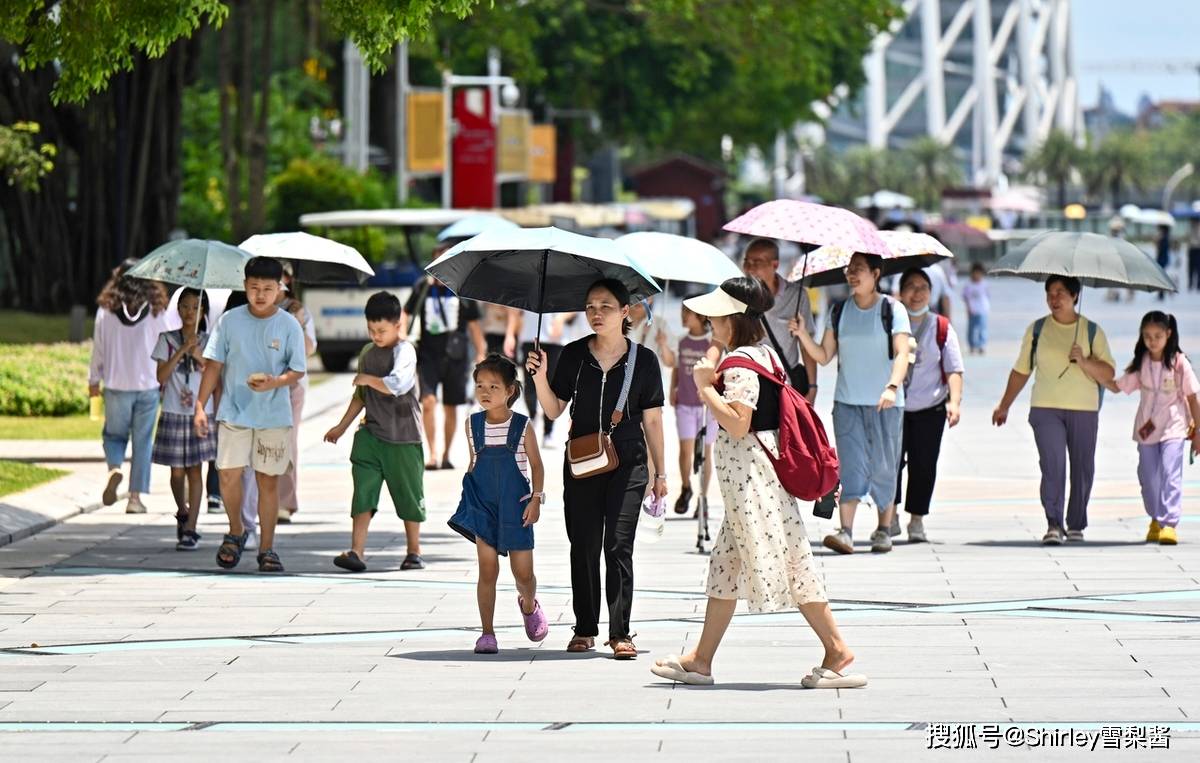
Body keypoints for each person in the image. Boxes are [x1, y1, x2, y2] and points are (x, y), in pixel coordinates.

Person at [649, 278, 864, 689]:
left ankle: (837, 648)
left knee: (791, 559)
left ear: (732, 317)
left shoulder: (742, 363)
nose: (709, 321)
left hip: (754, 482)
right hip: (748, 483)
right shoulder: (764, 353)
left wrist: (702, 388)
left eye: (715, 316)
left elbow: (737, 421)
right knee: (726, 565)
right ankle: (701, 658)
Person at [526, 278, 668, 659]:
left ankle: (621, 633)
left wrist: (661, 475)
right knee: (584, 545)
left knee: (618, 545)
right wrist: (540, 379)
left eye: (605, 306)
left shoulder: (644, 361)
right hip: (582, 461)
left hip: (630, 462)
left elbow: (653, 422)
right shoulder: (573, 355)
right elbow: (554, 409)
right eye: (590, 306)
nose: (596, 313)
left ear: (626, 312)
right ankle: (585, 628)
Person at [790, 252, 911, 554]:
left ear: (876, 273)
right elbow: (824, 355)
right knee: (851, 466)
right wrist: (802, 333)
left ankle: (883, 529)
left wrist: (892, 387)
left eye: (859, 269)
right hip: (847, 401)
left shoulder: (892, 309)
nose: (852, 274)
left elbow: (902, 353)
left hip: (886, 403)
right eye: (849, 269)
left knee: (885, 465)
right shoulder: (839, 310)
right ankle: (845, 531)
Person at [195, 257, 307, 573]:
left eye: (268, 289)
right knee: (228, 475)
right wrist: (200, 407)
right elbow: (213, 364)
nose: (260, 294)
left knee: (267, 481)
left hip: (273, 415)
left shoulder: (288, 324)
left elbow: (297, 370)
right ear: (244, 286)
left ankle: (267, 549)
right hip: (234, 411)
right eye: (254, 287)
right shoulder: (229, 321)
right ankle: (236, 530)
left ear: (279, 289)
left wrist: (275, 382)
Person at [992, 276, 1116, 545]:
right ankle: (1054, 523)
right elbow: (1021, 371)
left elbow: (1108, 373)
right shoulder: (1037, 330)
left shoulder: (1093, 332)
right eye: (1049, 293)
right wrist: (1004, 405)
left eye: (1060, 292)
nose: (1054, 298)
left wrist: (1083, 360)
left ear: (1075, 296)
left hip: (1084, 409)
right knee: (1053, 465)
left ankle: (1076, 523)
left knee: (1083, 468)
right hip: (1045, 408)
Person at [448, 354, 548, 653]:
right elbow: (473, 462)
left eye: (493, 386)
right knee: (487, 570)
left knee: (523, 574)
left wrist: (537, 500)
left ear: (510, 391)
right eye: (480, 385)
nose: (485, 392)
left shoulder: (522, 426)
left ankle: (528, 604)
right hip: (483, 506)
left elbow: (537, 467)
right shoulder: (472, 424)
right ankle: (487, 633)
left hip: (517, 508)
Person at [324, 292, 427, 572]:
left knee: (408, 495)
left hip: (403, 437)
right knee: (363, 493)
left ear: (398, 324)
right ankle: (356, 551)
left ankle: (413, 551)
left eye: (381, 330)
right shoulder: (367, 353)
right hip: (370, 435)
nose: (376, 335)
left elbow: (397, 384)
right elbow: (361, 395)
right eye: (371, 330)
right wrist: (341, 427)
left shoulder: (405, 351)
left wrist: (368, 378)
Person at [1107, 312, 1200, 545]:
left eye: (1158, 336)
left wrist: (1198, 431)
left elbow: (1193, 398)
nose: (1152, 341)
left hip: (1174, 429)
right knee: (1148, 478)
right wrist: (1086, 365)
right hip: (1146, 431)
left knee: (1171, 473)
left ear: (1169, 334)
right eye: (1147, 336)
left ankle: (1169, 524)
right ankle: (1156, 518)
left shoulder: (1179, 363)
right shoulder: (1142, 363)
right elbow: (1117, 386)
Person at [88, 259, 171, 514]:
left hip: (116, 385)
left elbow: (98, 349)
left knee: (113, 436)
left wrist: (93, 380)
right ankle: (135, 499)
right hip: (148, 385)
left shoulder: (106, 310)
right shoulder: (158, 310)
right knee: (143, 442)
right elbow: (167, 346)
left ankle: (114, 467)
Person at [893, 269, 964, 543]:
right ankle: (891, 515)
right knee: (892, 464)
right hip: (894, 407)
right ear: (900, 292)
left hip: (930, 408)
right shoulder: (891, 322)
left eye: (923, 287)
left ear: (931, 293)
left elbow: (954, 369)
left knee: (924, 465)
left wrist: (954, 402)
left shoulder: (941, 326)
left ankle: (917, 520)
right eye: (910, 286)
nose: (917, 292)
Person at [151, 288, 218, 550]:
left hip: (200, 412)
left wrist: (196, 353)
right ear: (177, 309)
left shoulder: (211, 340)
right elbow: (161, 377)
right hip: (173, 411)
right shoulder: (166, 339)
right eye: (185, 306)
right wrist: (181, 350)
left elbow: (214, 372)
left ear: (203, 312)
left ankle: (191, 527)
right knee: (177, 472)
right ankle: (182, 510)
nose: (190, 312)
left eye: (195, 307)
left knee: (195, 470)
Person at [402, 273, 486, 470]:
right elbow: (406, 311)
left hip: (456, 357)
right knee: (429, 402)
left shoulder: (462, 289)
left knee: (451, 406)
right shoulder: (423, 287)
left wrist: (481, 352)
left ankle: (446, 455)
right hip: (428, 356)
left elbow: (474, 324)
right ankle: (432, 454)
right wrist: (402, 335)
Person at [740, 238, 817, 402]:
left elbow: (805, 345)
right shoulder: (738, 295)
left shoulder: (797, 296)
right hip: (747, 385)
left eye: (757, 262)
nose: (749, 267)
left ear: (774, 265)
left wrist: (812, 387)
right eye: (747, 261)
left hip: (785, 387)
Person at [274, 263, 318, 524]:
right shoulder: (255, 309)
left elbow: (310, 348)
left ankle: (284, 501)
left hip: (292, 384)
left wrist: (298, 324)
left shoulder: (298, 310)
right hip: (261, 383)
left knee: (287, 440)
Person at [671, 298, 722, 514]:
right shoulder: (681, 341)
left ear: (701, 316)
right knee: (685, 451)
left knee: (706, 453)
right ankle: (686, 488)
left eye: (687, 312)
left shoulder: (713, 343)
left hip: (706, 408)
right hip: (684, 402)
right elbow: (676, 367)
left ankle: (703, 497)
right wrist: (672, 388)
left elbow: (719, 371)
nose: (683, 315)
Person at [515, 310, 578, 449]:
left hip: (557, 340)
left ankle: (548, 432)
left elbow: (575, 309)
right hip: (530, 336)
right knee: (530, 383)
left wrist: (561, 318)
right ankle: (533, 416)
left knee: (553, 386)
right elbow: (516, 310)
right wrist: (511, 334)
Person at [962, 263, 990, 355]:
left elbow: (987, 296)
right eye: (975, 273)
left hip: (983, 310)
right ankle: (972, 345)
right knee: (972, 329)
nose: (977, 275)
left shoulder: (984, 284)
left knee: (982, 328)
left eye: (979, 273)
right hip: (972, 310)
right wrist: (968, 308)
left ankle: (981, 345)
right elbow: (966, 298)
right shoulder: (968, 285)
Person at [1188, 219, 1200, 293]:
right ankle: (1190, 284)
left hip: (1198, 249)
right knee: (1191, 269)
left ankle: (1198, 285)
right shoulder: (1191, 228)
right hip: (1192, 249)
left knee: (1198, 268)